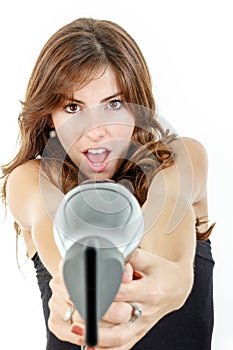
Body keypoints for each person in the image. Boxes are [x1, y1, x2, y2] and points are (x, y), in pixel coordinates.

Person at [0, 17, 215, 350]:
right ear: (50, 118)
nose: (95, 129)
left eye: (114, 104)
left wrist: (170, 280)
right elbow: (53, 220)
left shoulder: (182, 158)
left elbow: (167, 203)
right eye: (73, 107)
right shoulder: (31, 180)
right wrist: (77, 291)